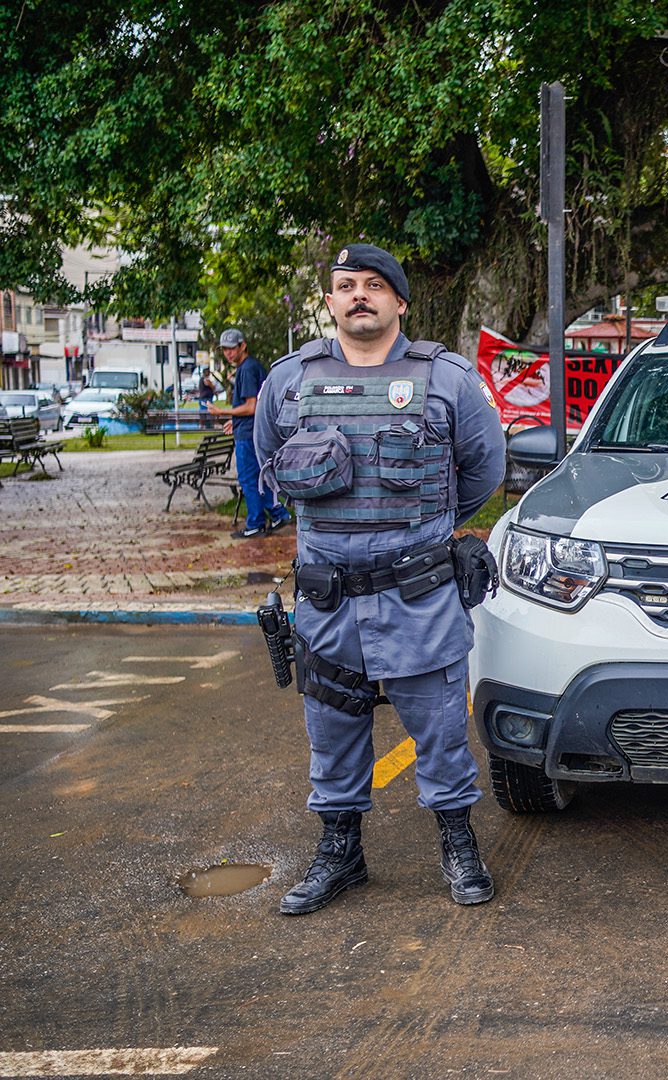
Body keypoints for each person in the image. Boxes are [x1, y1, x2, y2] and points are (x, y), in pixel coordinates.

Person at [253, 244, 506, 916]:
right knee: (331, 731)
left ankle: (457, 842)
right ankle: (341, 852)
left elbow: (483, 469)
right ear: (331, 302)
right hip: (328, 599)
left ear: (399, 301)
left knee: (442, 729)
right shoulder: (287, 381)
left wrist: (422, 532)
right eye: (345, 285)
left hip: (418, 594)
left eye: (373, 285)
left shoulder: (447, 379)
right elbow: (272, 468)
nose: (358, 295)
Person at [208, 329, 289, 538]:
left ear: (243, 346)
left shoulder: (246, 369)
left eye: (232, 348)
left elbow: (251, 406)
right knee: (259, 476)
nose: (228, 354)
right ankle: (277, 513)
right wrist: (234, 420)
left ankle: (256, 522)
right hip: (251, 429)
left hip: (248, 434)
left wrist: (222, 411)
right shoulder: (251, 367)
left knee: (249, 478)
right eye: (225, 350)